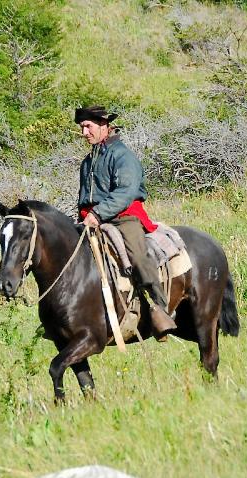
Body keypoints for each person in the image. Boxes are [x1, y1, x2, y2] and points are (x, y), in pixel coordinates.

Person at [75, 105, 177, 338]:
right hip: (92, 220)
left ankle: (160, 309)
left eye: (88, 127)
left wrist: (98, 213)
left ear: (103, 125)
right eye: (82, 128)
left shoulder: (123, 155)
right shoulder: (87, 162)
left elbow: (125, 192)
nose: (84, 133)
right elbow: (83, 198)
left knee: (139, 257)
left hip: (123, 216)